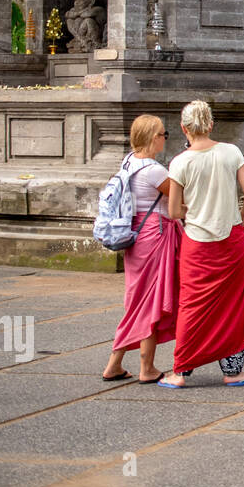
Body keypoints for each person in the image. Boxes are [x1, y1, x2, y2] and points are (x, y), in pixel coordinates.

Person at [159, 100, 244, 388]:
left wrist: (193, 213)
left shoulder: (180, 162)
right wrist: (240, 218)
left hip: (197, 243)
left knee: (192, 305)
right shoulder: (231, 152)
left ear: (184, 128)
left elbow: (174, 211)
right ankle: (233, 372)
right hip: (231, 240)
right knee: (234, 305)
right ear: (211, 125)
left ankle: (181, 371)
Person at [101, 115, 180, 384]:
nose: (165, 138)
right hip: (154, 235)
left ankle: (115, 364)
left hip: (134, 234)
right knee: (151, 301)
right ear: (151, 137)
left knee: (138, 301)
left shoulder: (128, 161)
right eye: (162, 133)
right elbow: (180, 199)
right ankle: (146, 368)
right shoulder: (153, 170)